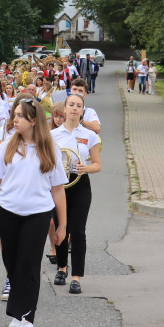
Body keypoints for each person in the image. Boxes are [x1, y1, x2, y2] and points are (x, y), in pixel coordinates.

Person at [0, 98, 67, 327]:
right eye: (14, 114)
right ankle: (18, 310)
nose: (14, 119)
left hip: (37, 214)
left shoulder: (51, 149)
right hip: (7, 212)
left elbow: (58, 190)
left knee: (29, 265)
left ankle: (27, 319)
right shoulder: (6, 145)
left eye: (20, 116)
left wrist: (62, 225)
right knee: (12, 263)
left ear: (34, 120)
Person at [51, 94, 102, 294]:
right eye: (71, 104)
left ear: (83, 110)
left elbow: (97, 165)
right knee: (61, 226)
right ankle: (62, 267)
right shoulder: (54, 135)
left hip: (80, 183)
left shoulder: (89, 135)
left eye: (78, 106)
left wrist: (85, 168)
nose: (74, 108)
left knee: (78, 230)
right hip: (60, 185)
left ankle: (76, 277)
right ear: (64, 109)